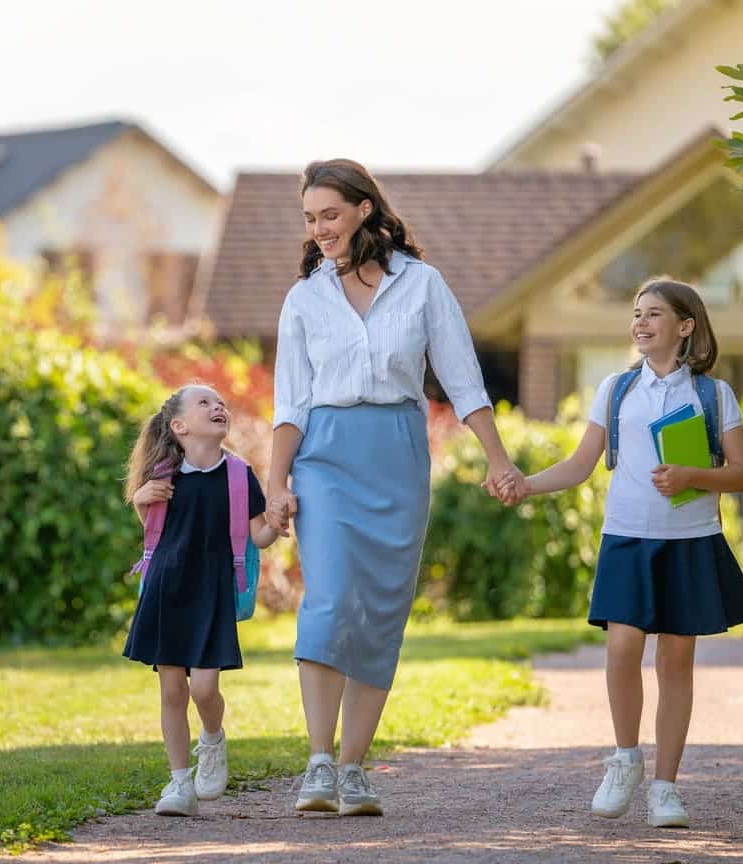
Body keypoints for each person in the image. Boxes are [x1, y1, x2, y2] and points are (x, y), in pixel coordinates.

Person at [265, 158, 523, 817]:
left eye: (330, 214)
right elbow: (290, 402)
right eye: (310, 218)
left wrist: (498, 459)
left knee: (379, 611)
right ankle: (319, 763)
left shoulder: (422, 284)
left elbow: (463, 380)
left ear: (362, 210)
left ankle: (354, 769)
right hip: (323, 454)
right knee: (326, 599)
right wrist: (276, 485)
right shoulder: (305, 298)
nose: (320, 229)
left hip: (396, 453)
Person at [498, 277, 743, 828]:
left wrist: (693, 474)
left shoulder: (713, 396)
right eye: (636, 314)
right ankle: (625, 759)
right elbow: (579, 465)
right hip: (626, 538)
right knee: (621, 649)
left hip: (690, 542)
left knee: (676, 662)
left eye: (654, 315)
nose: (641, 323)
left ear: (685, 326)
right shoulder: (616, 390)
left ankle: (666, 787)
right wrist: (525, 483)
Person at [122, 384, 280, 817]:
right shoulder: (163, 475)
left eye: (220, 403)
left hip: (211, 594)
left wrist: (280, 521)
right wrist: (139, 499)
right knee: (173, 691)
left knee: (205, 688)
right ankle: (179, 783)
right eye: (205, 403)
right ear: (179, 426)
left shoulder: (238, 475)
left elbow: (259, 534)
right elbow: (154, 532)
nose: (218, 407)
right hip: (166, 591)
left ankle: (211, 739)